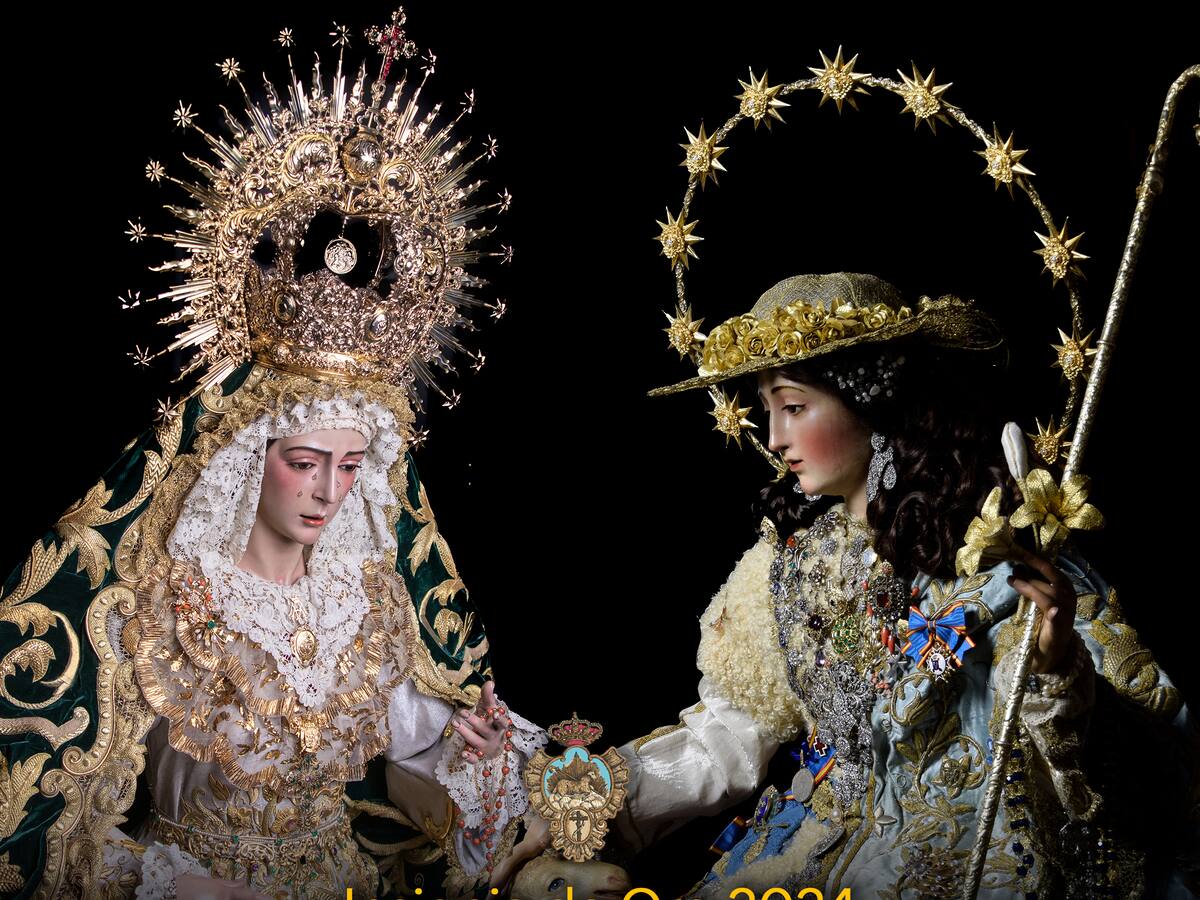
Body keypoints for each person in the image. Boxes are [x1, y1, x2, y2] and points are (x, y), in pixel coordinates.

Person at [0, 12, 544, 898]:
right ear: (245, 457)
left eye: (351, 467)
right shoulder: (165, 603)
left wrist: (470, 761)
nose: (329, 490)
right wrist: (177, 884)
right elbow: (76, 820)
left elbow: (413, 776)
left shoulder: (367, 605)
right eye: (304, 462)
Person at [606, 273, 1194, 898]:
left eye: (794, 407)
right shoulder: (785, 565)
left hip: (962, 849)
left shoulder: (993, 552)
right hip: (815, 842)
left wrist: (1054, 670)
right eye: (768, 409)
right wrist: (586, 803)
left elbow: (1140, 753)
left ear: (872, 404)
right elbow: (730, 735)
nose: (774, 439)